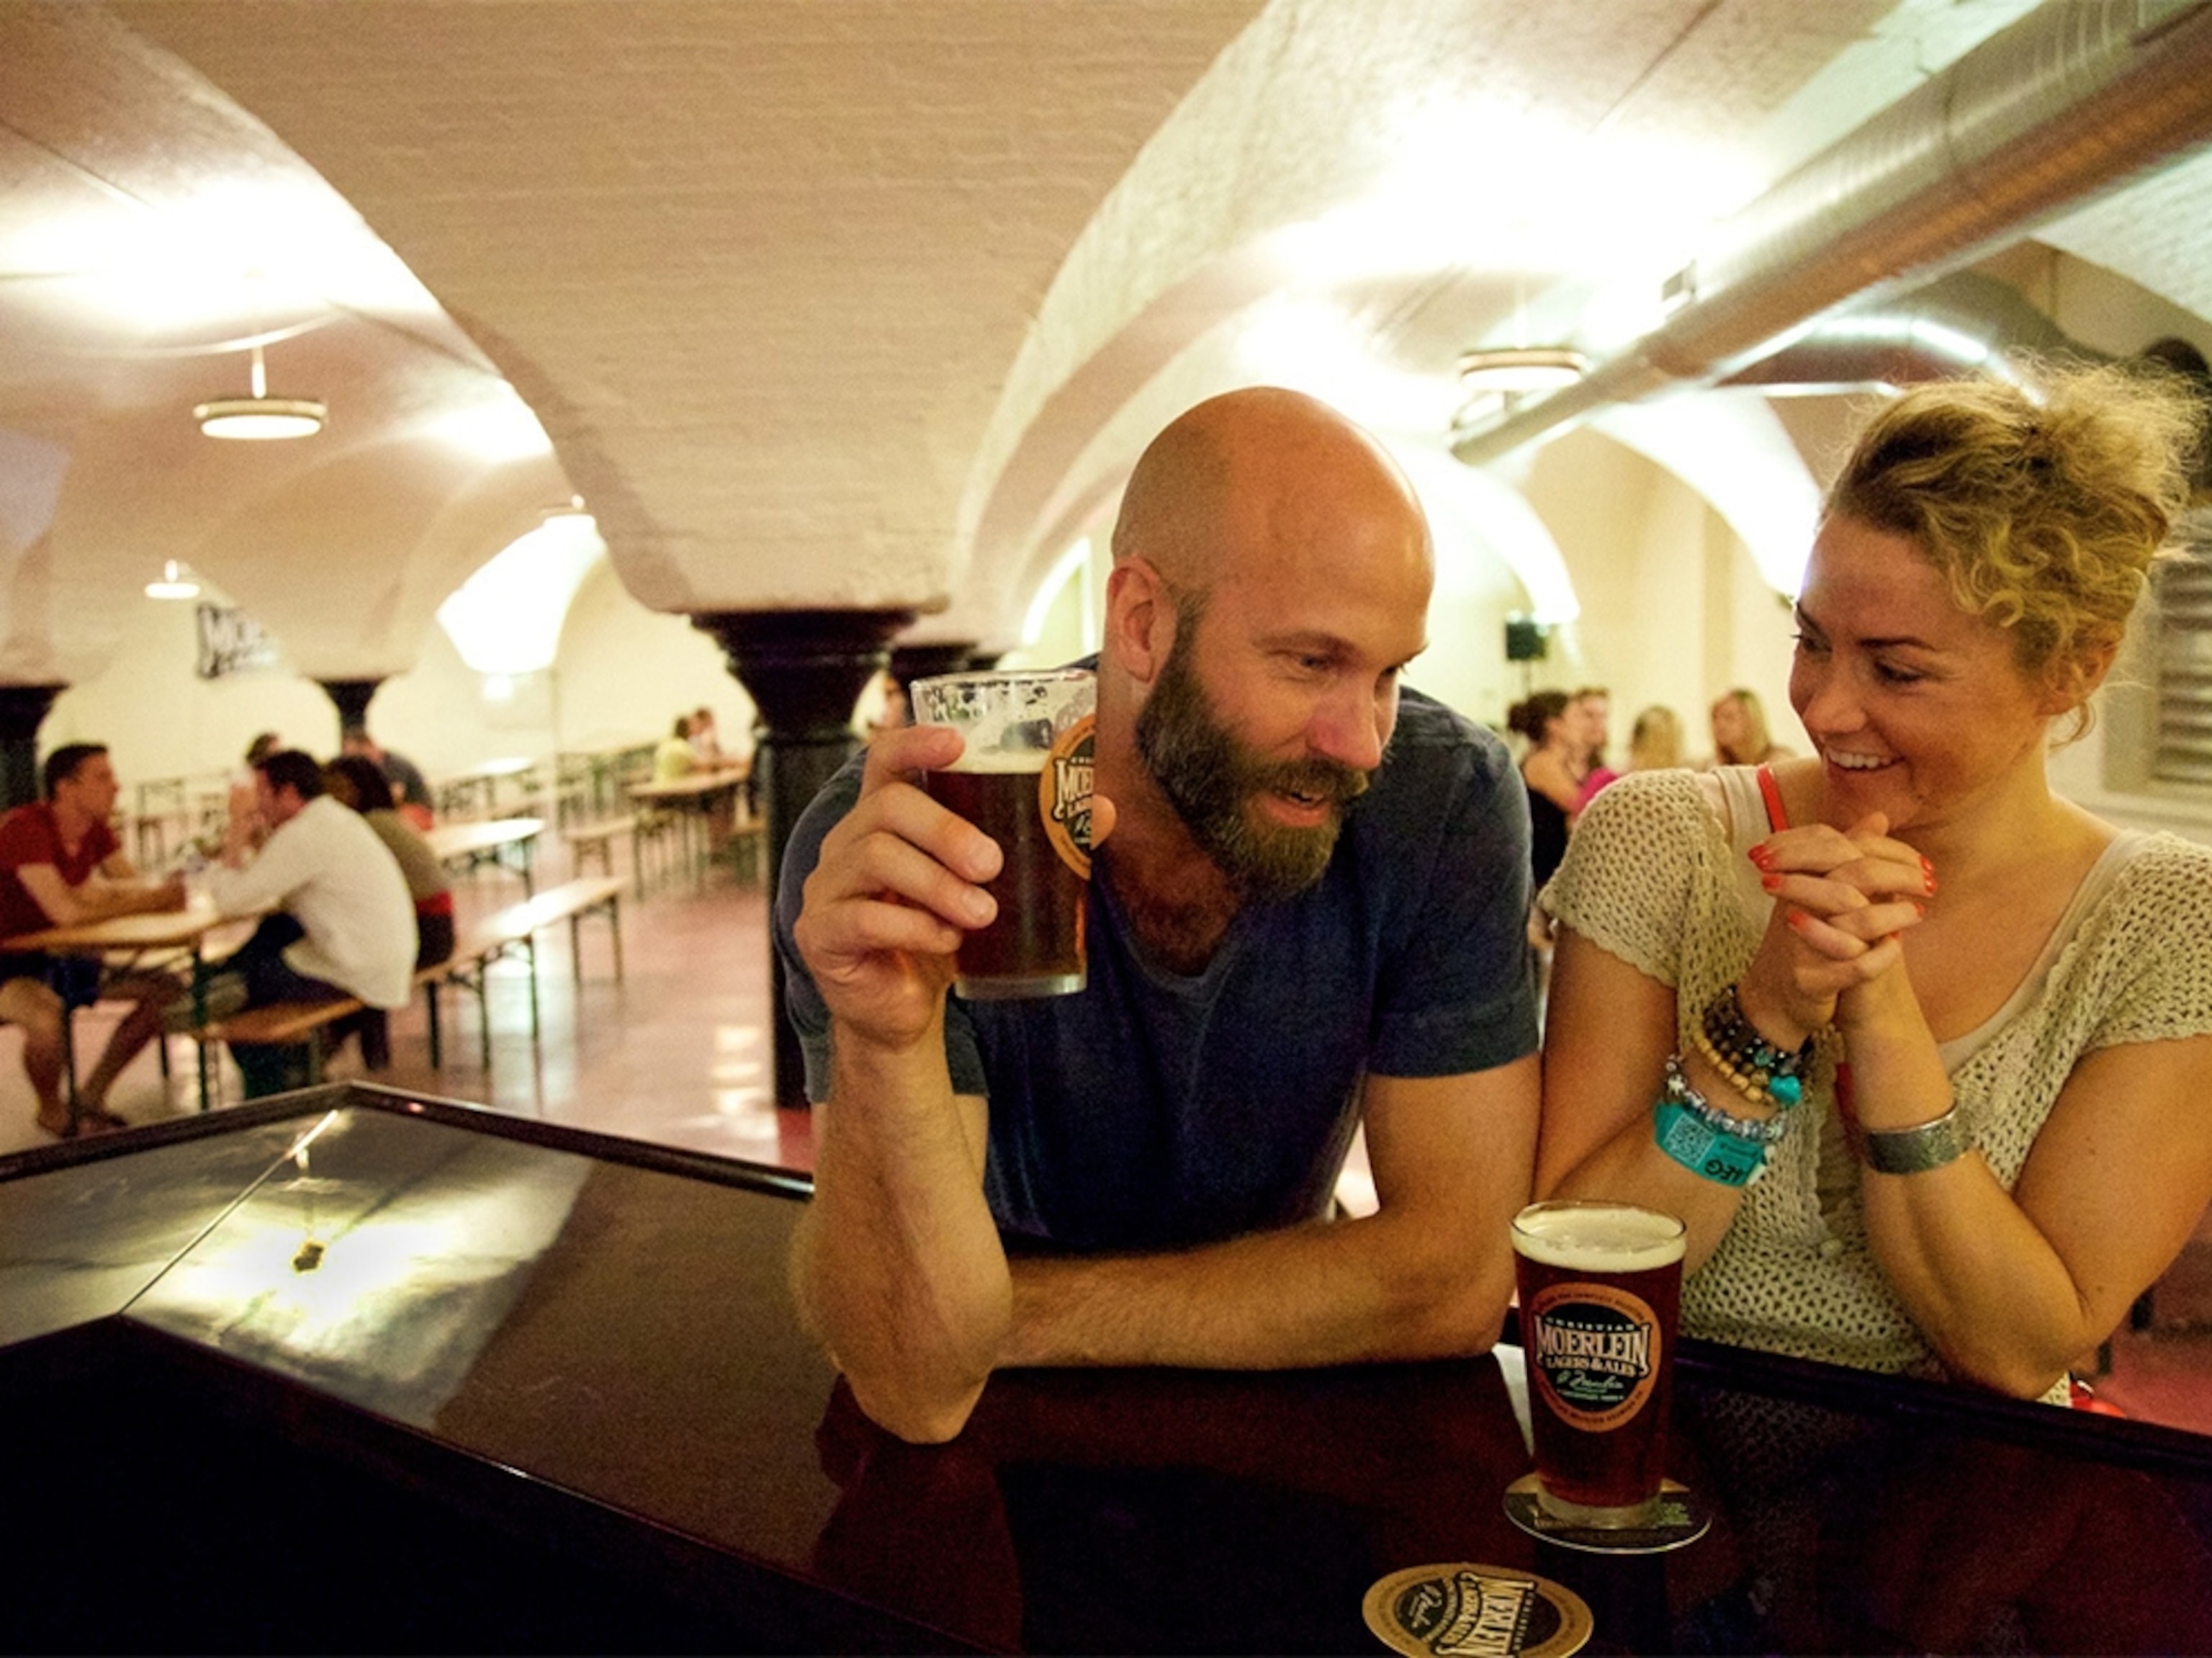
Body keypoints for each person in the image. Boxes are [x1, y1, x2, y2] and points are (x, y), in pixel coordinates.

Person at [779, 387, 1540, 1443]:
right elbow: (916, 1382)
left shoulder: (1439, 800)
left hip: (1285, 1425)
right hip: (1001, 1448)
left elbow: (1453, 1280)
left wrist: (1012, 1312)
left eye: (1390, 674)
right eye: (1312, 661)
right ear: (1140, 621)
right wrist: (886, 1037)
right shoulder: (918, 842)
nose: (1363, 739)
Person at [1535, 364, 2212, 1403]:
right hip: (1659, 1455)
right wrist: (1760, 1018)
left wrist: (1882, 1013)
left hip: (1957, 1516)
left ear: (2073, 666)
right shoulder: (1659, 835)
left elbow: (2020, 1346)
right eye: (1812, 641)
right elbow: (1581, 1280)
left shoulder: (2167, 920)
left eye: (1896, 670)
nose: (1825, 706)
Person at [0, 744, 186, 1137]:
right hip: (10, 964)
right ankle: (52, 1112)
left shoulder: (94, 830)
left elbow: (130, 884)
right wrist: (146, 901)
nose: (116, 786)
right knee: (47, 1020)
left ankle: (92, 1095)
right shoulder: (26, 828)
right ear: (66, 788)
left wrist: (149, 895)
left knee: (169, 991)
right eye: (102, 777)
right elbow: (65, 913)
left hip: (64, 959)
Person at [205, 750, 416, 1097]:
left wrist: (237, 829)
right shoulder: (332, 819)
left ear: (288, 794)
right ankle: (296, 1071)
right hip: (386, 956)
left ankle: (274, 1093)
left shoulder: (304, 834)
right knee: (272, 938)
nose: (257, 805)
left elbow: (231, 902)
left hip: (361, 965)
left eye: (261, 795)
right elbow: (273, 888)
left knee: (240, 988)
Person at [323, 756, 455, 971]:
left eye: (338, 788)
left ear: (358, 789)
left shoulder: (369, 826)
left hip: (424, 932)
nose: (331, 798)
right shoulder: (386, 818)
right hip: (437, 928)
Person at [1506, 689, 1580, 889]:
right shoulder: (1542, 763)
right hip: (1542, 877)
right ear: (1554, 725)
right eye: (1575, 716)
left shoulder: (1559, 762)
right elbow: (1580, 806)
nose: (1581, 724)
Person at [341, 725, 433, 830]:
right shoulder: (374, 767)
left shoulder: (393, 764)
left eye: (355, 755)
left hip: (417, 810)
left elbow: (396, 797)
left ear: (367, 745)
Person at [1708, 686, 1792, 767]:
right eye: (1715, 717)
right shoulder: (1715, 764)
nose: (1720, 725)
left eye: (1729, 717)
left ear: (1752, 719)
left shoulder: (1781, 763)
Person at [652, 714, 697, 783]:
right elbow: (698, 766)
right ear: (687, 730)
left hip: (659, 784)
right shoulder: (683, 747)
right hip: (676, 786)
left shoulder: (665, 745)